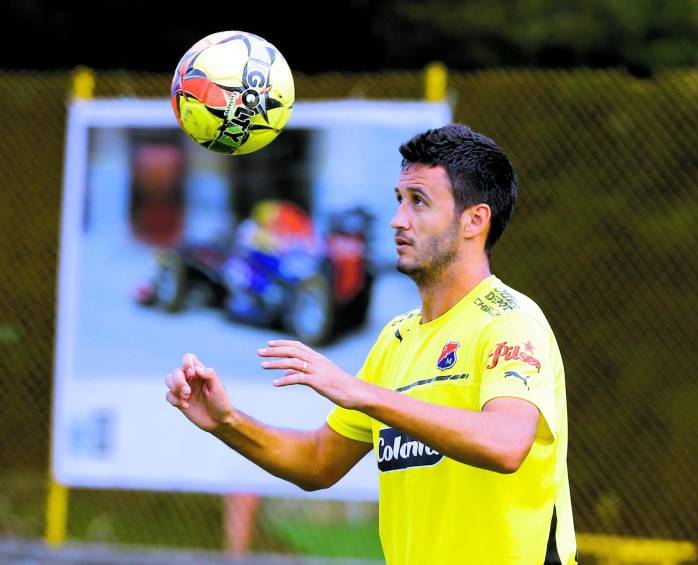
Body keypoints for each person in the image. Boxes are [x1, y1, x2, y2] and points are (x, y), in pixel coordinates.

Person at [165, 124, 577, 565]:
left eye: (418, 201)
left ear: (474, 220)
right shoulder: (397, 339)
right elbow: (319, 461)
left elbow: (506, 443)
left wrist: (365, 395)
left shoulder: (510, 321)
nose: (398, 219)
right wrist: (227, 423)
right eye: (399, 200)